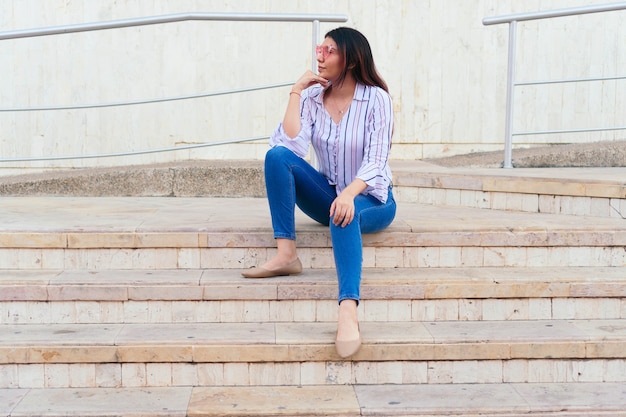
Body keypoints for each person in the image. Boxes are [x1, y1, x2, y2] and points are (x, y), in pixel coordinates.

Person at [242, 27, 396, 359]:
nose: (319, 56)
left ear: (350, 59)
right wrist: (296, 92)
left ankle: (348, 310)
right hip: (328, 194)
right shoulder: (314, 98)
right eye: (319, 49)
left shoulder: (376, 99)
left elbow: (376, 160)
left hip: (372, 197)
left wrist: (350, 195)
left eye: (329, 51)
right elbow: (290, 145)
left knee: (345, 213)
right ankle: (286, 254)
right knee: (277, 157)